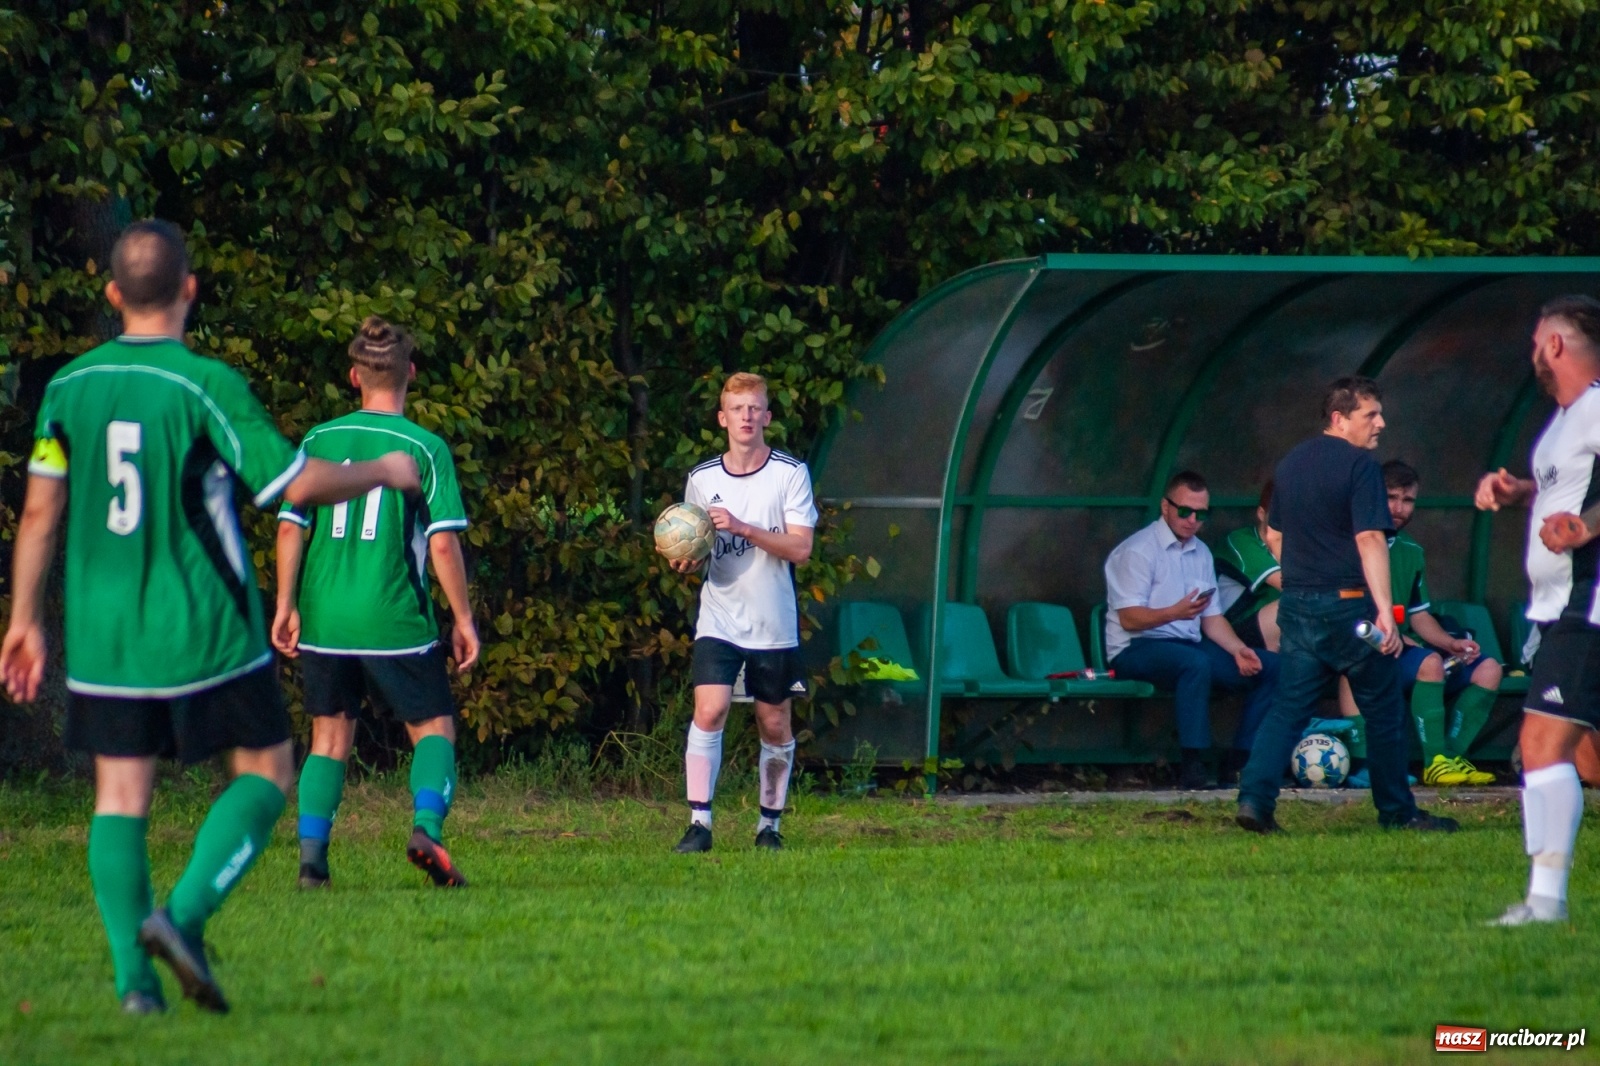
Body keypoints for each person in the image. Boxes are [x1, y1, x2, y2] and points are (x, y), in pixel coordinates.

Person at [0, 221, 421, 1014]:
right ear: (190, 289)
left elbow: (38, 515)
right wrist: (383, 468)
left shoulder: (67, 388)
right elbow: (291, 484)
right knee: (267, 770)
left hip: (103, 634)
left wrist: (25, 617)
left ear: (114, 294)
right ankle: (184, 919)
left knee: (120, 798)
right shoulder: (205, 385)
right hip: (204, 628)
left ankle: (135, 987)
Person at [273, 317, 481, 890]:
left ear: (353, 376)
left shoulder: (318, 441)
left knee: (329, 737)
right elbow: (441, 540)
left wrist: (285, 604)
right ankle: (426, 830)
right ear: (410, 373)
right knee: (433, 728)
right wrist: (463, 619)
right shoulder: (424, 447)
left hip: (323, 615)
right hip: (392, 617)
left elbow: (291, 528)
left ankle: (313, 861)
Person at [1235, 376, 1456, 834]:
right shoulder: (1360, 467)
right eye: (1370, 415)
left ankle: (1255, 802)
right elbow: (1371, 538)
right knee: (1384, 709)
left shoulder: (1291, 464)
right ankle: (1398, 812)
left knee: (1287, 708)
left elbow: (1274, 534)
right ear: (1340, 418)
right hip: (1349, 606)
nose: (1381, 423)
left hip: (1296, 605)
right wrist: (1383, 611)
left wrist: (1301, 579)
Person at [1477, 295, 1600, 926]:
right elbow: (1570, 490)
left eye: (1536, 343)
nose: (1533, 355)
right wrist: (1521, 490)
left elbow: (1584, 512)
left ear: (1556, 345)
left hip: (1590, 602)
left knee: (1541, 742)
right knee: (1585, 759)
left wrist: (1584, 529)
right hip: (1559, 607)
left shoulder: (1598, 405)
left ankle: (1544, 902)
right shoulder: (1567, 421)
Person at [664, 372, 817, 853]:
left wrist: (747, 528)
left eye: (755, 408)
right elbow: (698, 546)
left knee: (774, 724)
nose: (747, 417)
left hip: (772, 623)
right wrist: (687, 561)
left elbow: (801, 548)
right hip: (720, 618)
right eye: (737, 408)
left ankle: (768, 826)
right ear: (722, 418)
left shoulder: (789, 474)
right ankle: (699, 824)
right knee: (709, 710)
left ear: (767, 417)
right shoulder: (702, 479)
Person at [1104, 471, 1280, 789]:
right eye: (1185, 511)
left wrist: (1238, 649)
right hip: (1136, 647)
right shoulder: (1138, 551)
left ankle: (1241, 761)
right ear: (1165, 507)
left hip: (1188, 644)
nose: (1192, 520)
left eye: (1201, 514)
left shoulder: (1200, 552)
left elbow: (1212, 619)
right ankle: (1193, 767)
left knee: (1271, 667)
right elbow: (1129, 620)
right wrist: (1176, 612)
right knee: (1194, 664)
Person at [1335, 461, 1500, 788]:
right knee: (1428, 663)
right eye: (1390, 497)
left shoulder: (1412, 550)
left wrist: (1451, 643)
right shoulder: (1349, 544)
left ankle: (1450, 757)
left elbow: (1419, 615)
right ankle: (1433, 762)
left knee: (1489, 668)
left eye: (1407, 500)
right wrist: (1399, 638)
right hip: (1365, 645)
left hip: (1406, 648)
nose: (1398, 508)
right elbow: (1342, 609)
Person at [1218, 480, 1283, 652]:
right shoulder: (1242, 539)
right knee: (1298, 602)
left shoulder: (1296, 545)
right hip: (1231, 630)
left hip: (1270, 625)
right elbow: (1288, 585)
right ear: (1262, 514)